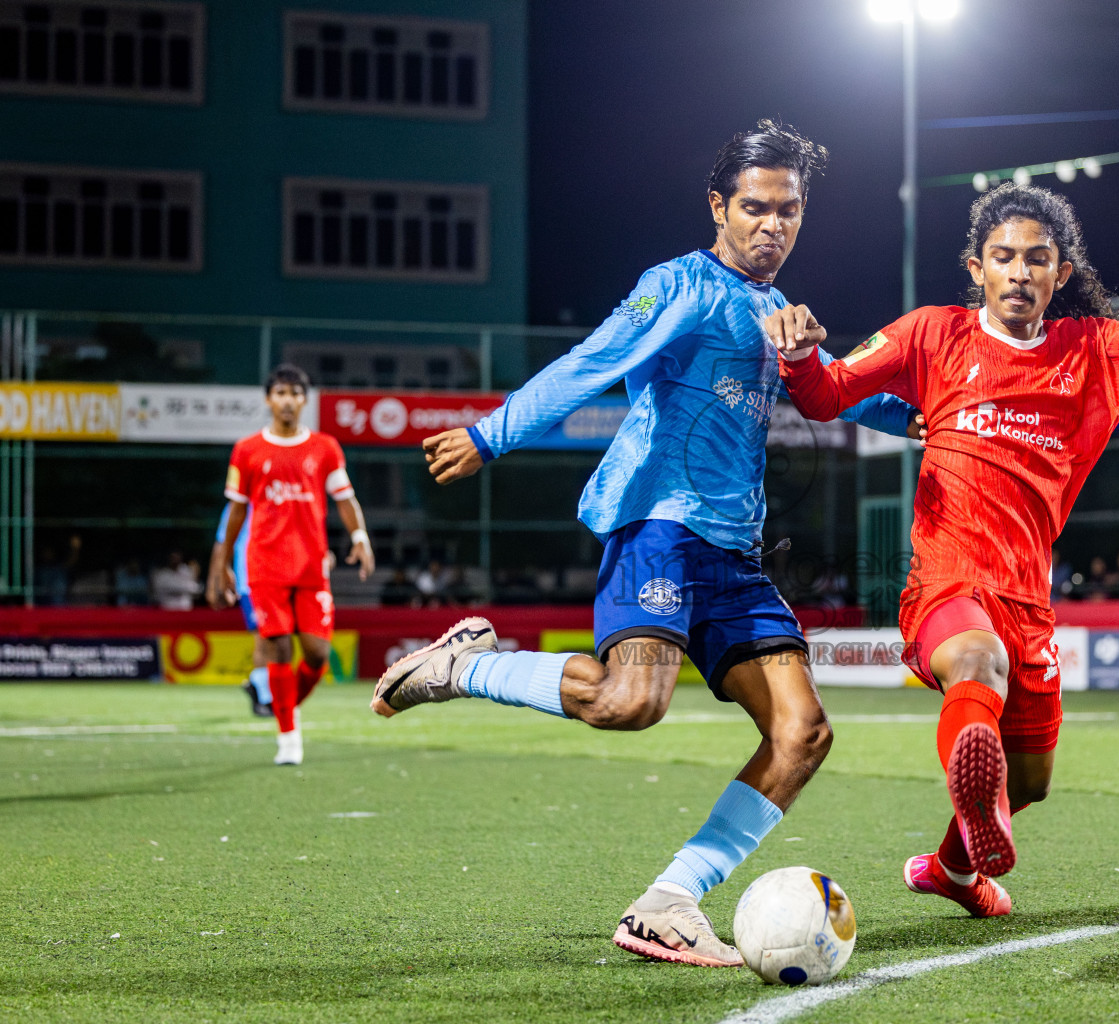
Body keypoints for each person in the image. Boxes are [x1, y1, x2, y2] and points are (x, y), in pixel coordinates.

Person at [368, 121, 922, 968]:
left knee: (802, 732)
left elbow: (835, 385)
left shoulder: (776, 311)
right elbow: (592, 360)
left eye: (789, 211)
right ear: (718, 206)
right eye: (756, 207)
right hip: (660, 524)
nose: (773, 225)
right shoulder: (678, 285)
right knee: (631, 702)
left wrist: (918, 418)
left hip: (734, 554)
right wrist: (490, 435)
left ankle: (668, 903)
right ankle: (464, 667)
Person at [771, 163, 1119, 917]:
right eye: (1003, 257)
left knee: (1031, 779)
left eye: (1036, 259)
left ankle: (953, 870)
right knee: (977, 661)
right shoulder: (933, 334)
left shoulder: (1091, 351)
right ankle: (975, 794)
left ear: (1062, 274)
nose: (1019, 272)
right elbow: (826, 395)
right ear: (977, 269)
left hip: (1029, 599)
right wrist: (800, 355)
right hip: (947, 582)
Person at [207, 364, 374, 765]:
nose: (287, 400)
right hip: (264, 565)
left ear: (304, 400)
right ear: (268, 399)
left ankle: (284, 705)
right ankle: (288, 737)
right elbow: (235, 510)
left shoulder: (325, 448)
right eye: (280, 392)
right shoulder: (247, 450)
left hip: (311, 566)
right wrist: (222, 563)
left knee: (317, 654)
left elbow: (345, 498)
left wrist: (360, 537)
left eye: (295, 393)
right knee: (278, 647)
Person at [210, 505, 273, 717]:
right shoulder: (238, 505)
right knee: (263, 638)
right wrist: (215, 581)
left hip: (278, 579)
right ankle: (264, 696)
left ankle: (262, 686)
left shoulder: (278, 497)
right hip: (250, 581)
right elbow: (222, 543)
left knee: (276, 639)